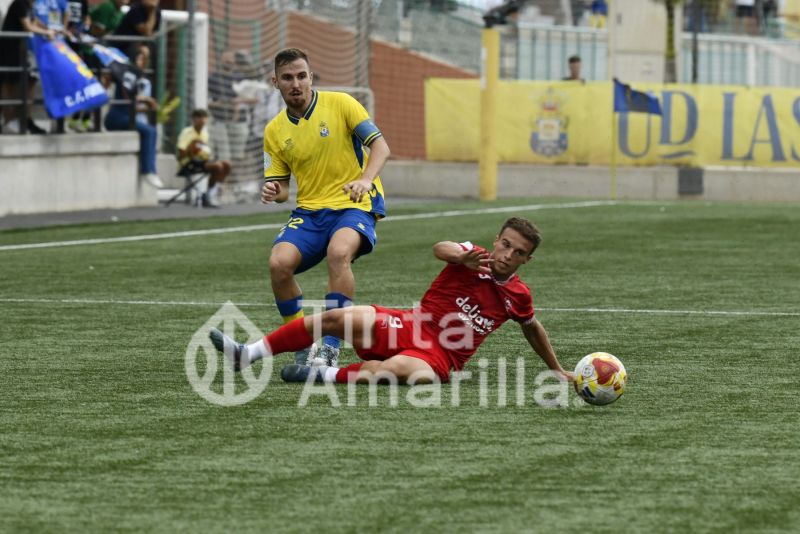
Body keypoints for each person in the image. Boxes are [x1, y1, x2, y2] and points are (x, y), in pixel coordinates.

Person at [209, 217, 575, 385]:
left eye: (518, 252)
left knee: (402, 371)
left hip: (441, 356)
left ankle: (323, 375)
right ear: (496, 240)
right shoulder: (472, 255)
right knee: (338, 318)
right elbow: (441, 248)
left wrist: (557, 368)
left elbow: (531, 327)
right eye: (506, 244)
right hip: (411, 325)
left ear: (527, 260)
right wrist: (460, 257)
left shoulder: (518, 296)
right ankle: (249, 353)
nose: (508, 254)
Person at [258, 47, 391, 369]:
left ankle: (331, 347)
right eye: (287, 78)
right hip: (310, 211)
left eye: (301, 76)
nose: (296, 84)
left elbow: (380, 146)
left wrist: (365, 180)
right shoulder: (274, 131)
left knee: (339, 252)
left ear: (311, 77)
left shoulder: (342, 104)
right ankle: (302, 344)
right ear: (275, 82)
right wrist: (273, 190)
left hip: (354, 204)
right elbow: (282, 190)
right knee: (278, 264)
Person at [104, 43, 161, 187]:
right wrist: (145, 99)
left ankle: (151, 169)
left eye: (146, 58)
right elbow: (129, 95)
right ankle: (148, 171)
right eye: (141, 57)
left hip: (127, 116)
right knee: (149, 131)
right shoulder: (128, 73)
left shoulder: (138, 75)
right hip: (117, 117)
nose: (144, 61)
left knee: (152, 130)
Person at [0, 0, 56, 134]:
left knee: (26, 83)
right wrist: (46, 33)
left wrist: (50, 30)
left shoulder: (28, 6)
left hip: (21, 51)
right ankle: (9, 119)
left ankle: (22, 119)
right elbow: (27, 26)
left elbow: (35, 22)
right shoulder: (19, 4)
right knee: (10, 84)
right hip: (9, 50)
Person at [207, 49, 258, 164]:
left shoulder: (241, 78)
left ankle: (235, 174)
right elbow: (205, 100)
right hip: (219, 120)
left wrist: (239, 101)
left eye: (230, 60)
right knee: (224, 155)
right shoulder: (213, 78)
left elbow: (255, 99)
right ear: (221, 60)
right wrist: (217, 104)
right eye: (226, 60)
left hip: (239, 121)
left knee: (238, 156)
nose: (228, 62)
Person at [176, 108, 231, 208]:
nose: (202, 120)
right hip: (189, 162)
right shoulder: (187, 132)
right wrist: (191, 150)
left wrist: (204, 154)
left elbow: (203, 150)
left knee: (227, 165)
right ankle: (207, 196)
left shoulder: (204, 133)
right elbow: (181, 152)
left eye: (204, 117)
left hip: (201, 160)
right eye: (199, 117)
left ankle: (211, 193)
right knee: (217, 167)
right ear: (194, 119)